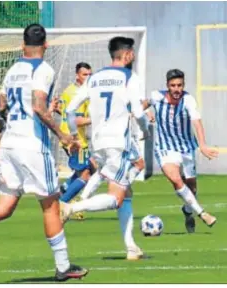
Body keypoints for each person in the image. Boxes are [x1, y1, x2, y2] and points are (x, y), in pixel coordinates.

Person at [0, 24, 88, 281]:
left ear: (23, 46)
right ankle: (63, 266)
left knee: (6, 205)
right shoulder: (43, 69)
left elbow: (0, 104)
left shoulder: (13, 70)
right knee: (51, 205)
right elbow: (38, 106)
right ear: (45, 46)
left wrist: (4, 126)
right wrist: (63, 135)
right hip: (32, 146)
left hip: (10, 145)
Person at [61, 36, 150, 260]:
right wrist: (146, 130)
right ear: (127, 54)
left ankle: (131, 247)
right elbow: (139, 113)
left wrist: (73, 136)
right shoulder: (130, 76)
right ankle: (72, 208)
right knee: (116, 197)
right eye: (133, 53)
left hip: (98, 142)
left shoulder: (95, 77)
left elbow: (70, 110)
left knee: (127, 189)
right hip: (118, 142)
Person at [143, 69, 218, 234]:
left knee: (192, 188)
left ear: (183, 85)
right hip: (165, 148)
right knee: (176, 180)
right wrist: (145, 112)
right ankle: (202, 213)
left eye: (179, 85)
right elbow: (140, 105)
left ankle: (188, 211)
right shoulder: (157, 96)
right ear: (167, 86)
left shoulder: (188, 100)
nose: (177, 89)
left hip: (186, 148)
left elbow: (197, 122)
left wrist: (203, 145)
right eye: (173, 85)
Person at [55, 62, 93, 220]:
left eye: (90, 75)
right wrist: (97, 119)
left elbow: (62, 111)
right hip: (76, 139)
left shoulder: (68, 91)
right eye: (85, 75)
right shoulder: (77, 93)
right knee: (85, 174)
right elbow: (77, 120)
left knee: (92, 167)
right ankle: (62, 204)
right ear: (77, 75)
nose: (88, 78)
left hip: (68, 136)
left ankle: (65, 188)